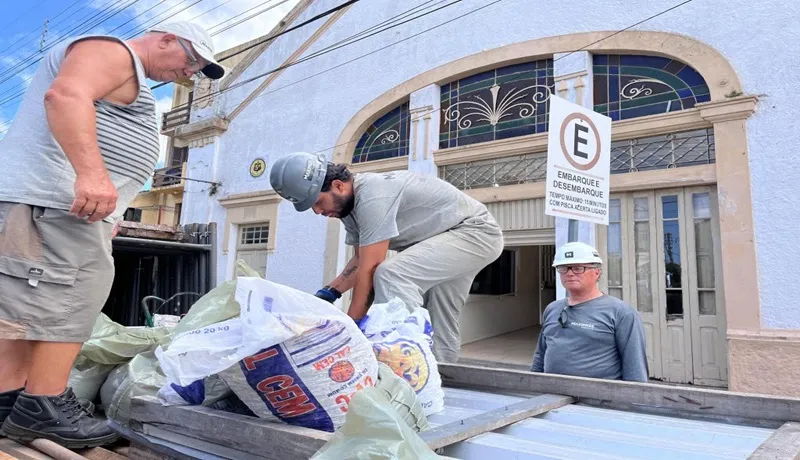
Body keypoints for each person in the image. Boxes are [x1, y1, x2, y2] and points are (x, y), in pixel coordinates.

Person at [0, 22, 224, 447]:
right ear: (166, 38)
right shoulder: (115, 52)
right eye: (192, 59)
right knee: (70, 299)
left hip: (54, 207)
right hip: (54, 205)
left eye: (198, 68)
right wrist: (91, 175)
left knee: (25, 310)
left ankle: (8, 401)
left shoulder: (125, 69)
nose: (191, 72)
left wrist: (114, 202)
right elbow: (66, 96)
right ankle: (42, 407)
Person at [269, 152, 504, 363]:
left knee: (392, 275)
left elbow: (371, 268)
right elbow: (360, 261)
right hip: (450, 239)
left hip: (474, 233)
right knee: (440, 314)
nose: (317, 211)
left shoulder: (372, 195)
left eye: (318, 202)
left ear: (338, 186)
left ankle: (398, 363)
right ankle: (440, 377)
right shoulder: (347, 209)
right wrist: (329, 293)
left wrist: (351, 330)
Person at [531, 242, 649, 382]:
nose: (569, 273)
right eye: (563, 268)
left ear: (596, 272)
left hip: (598, 395)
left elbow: (635, 369)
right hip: (551, 392)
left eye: (578, 268)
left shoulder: (621, 313)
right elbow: (541, 354)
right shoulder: (552, 309)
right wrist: (532, 384)